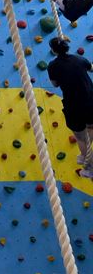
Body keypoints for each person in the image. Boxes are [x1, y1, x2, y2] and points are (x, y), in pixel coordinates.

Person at [48, 36, 93, 177]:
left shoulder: (53, 66)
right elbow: (91, 68)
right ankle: (87, 156)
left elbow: (55, 84)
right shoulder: (79, 59)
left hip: (74, 104)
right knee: (91, 127)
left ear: (54, 51)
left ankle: (89, 167)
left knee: (80, 137)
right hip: (90, 99)